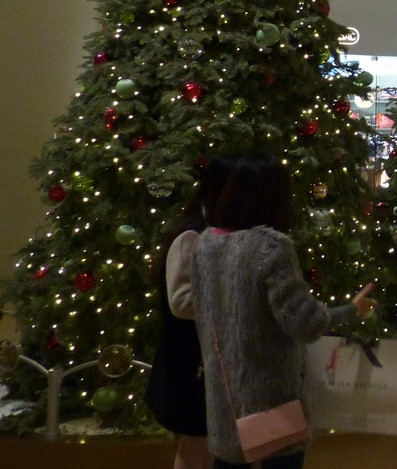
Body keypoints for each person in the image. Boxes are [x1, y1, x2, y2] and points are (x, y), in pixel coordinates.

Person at [191, 153, 374, 469]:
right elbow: (305, 323)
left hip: (224, 396)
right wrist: (351, 309)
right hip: (270, 397)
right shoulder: (270, 247)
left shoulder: (205, 244)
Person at [145, 156, 235, 469]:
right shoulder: (192, 236)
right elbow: (181, 302)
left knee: (211, 442)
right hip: (190, 361)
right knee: (195, 442)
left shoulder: (222, 232)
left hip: (207, 359)